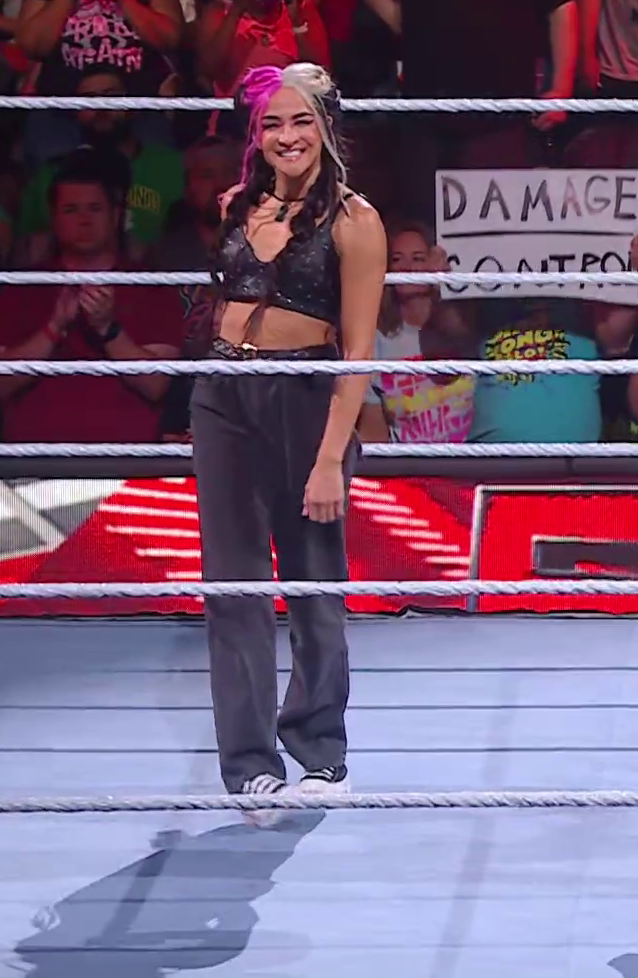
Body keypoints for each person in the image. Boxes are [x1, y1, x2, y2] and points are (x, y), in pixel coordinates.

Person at [192, 62, 387, 826]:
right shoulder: (237, 206)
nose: (287, 136)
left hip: (306, 398)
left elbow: (360, 350)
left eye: (301, 120)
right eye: (272, 123)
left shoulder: (356, 221)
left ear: (327, 125)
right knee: (233, 588)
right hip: (223, 395)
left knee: (313, 586)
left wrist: (332, 457)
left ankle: (322, 753)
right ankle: (248, 768)